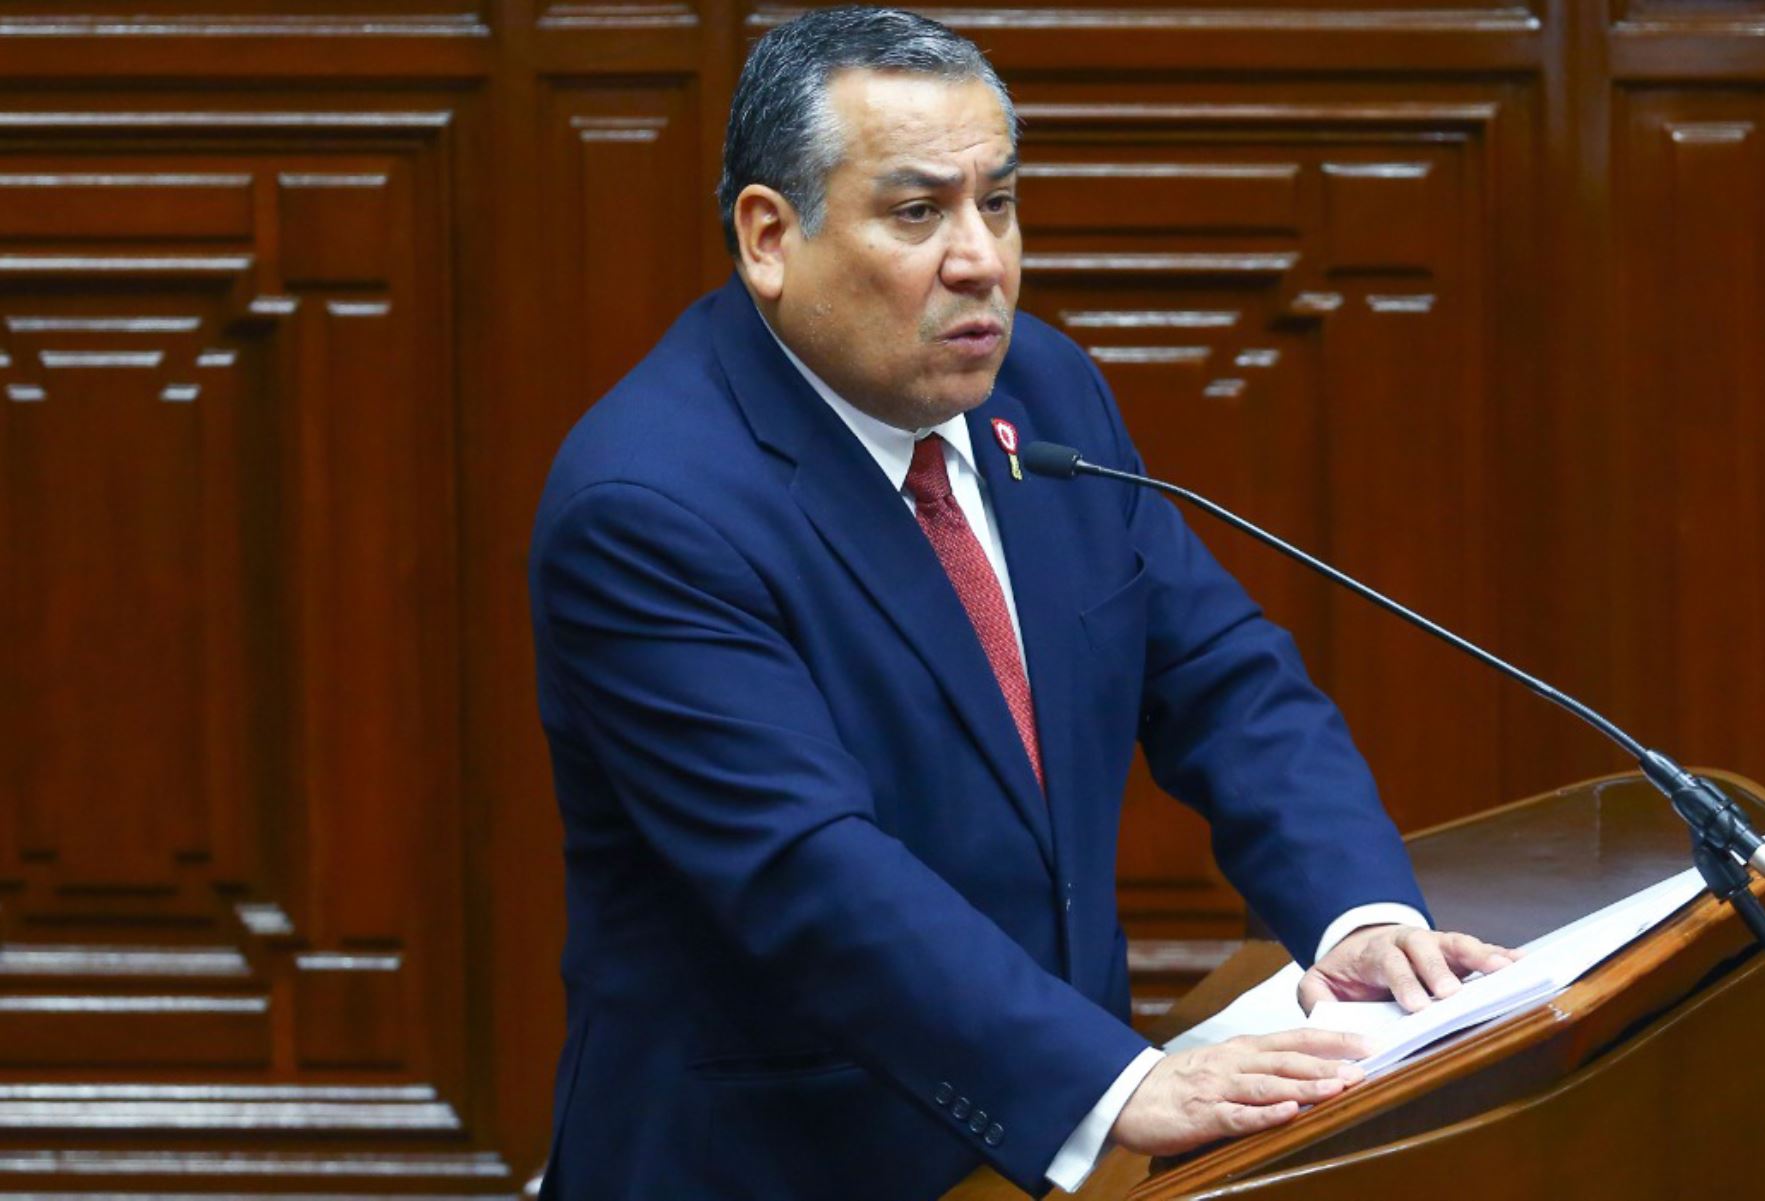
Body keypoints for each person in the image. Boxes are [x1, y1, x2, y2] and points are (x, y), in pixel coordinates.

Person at [528, 7, 1514, 1198]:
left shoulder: (1041, 393)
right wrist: (1108, 1084)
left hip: (1049, 1154)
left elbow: (1218, 676)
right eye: (916, 211)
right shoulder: (650, 505)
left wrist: (1351, 915)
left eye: (995, 201)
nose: (980, 259)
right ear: (769, 236)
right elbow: (806, 871)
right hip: (782, 1158)